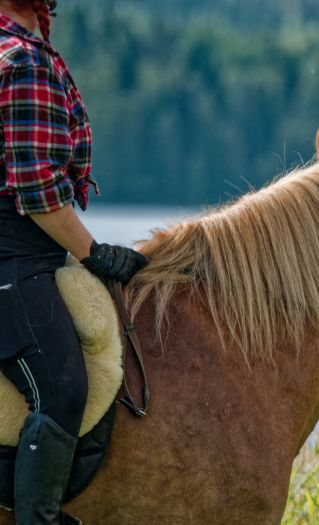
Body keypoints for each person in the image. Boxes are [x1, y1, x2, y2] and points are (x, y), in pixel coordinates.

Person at [0, 1, 147, 523]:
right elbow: (38, 191)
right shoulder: (23, 61)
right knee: (61, 387)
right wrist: (95, 253)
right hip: (12, 259)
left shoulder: (23, 49)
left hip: (22, 251)